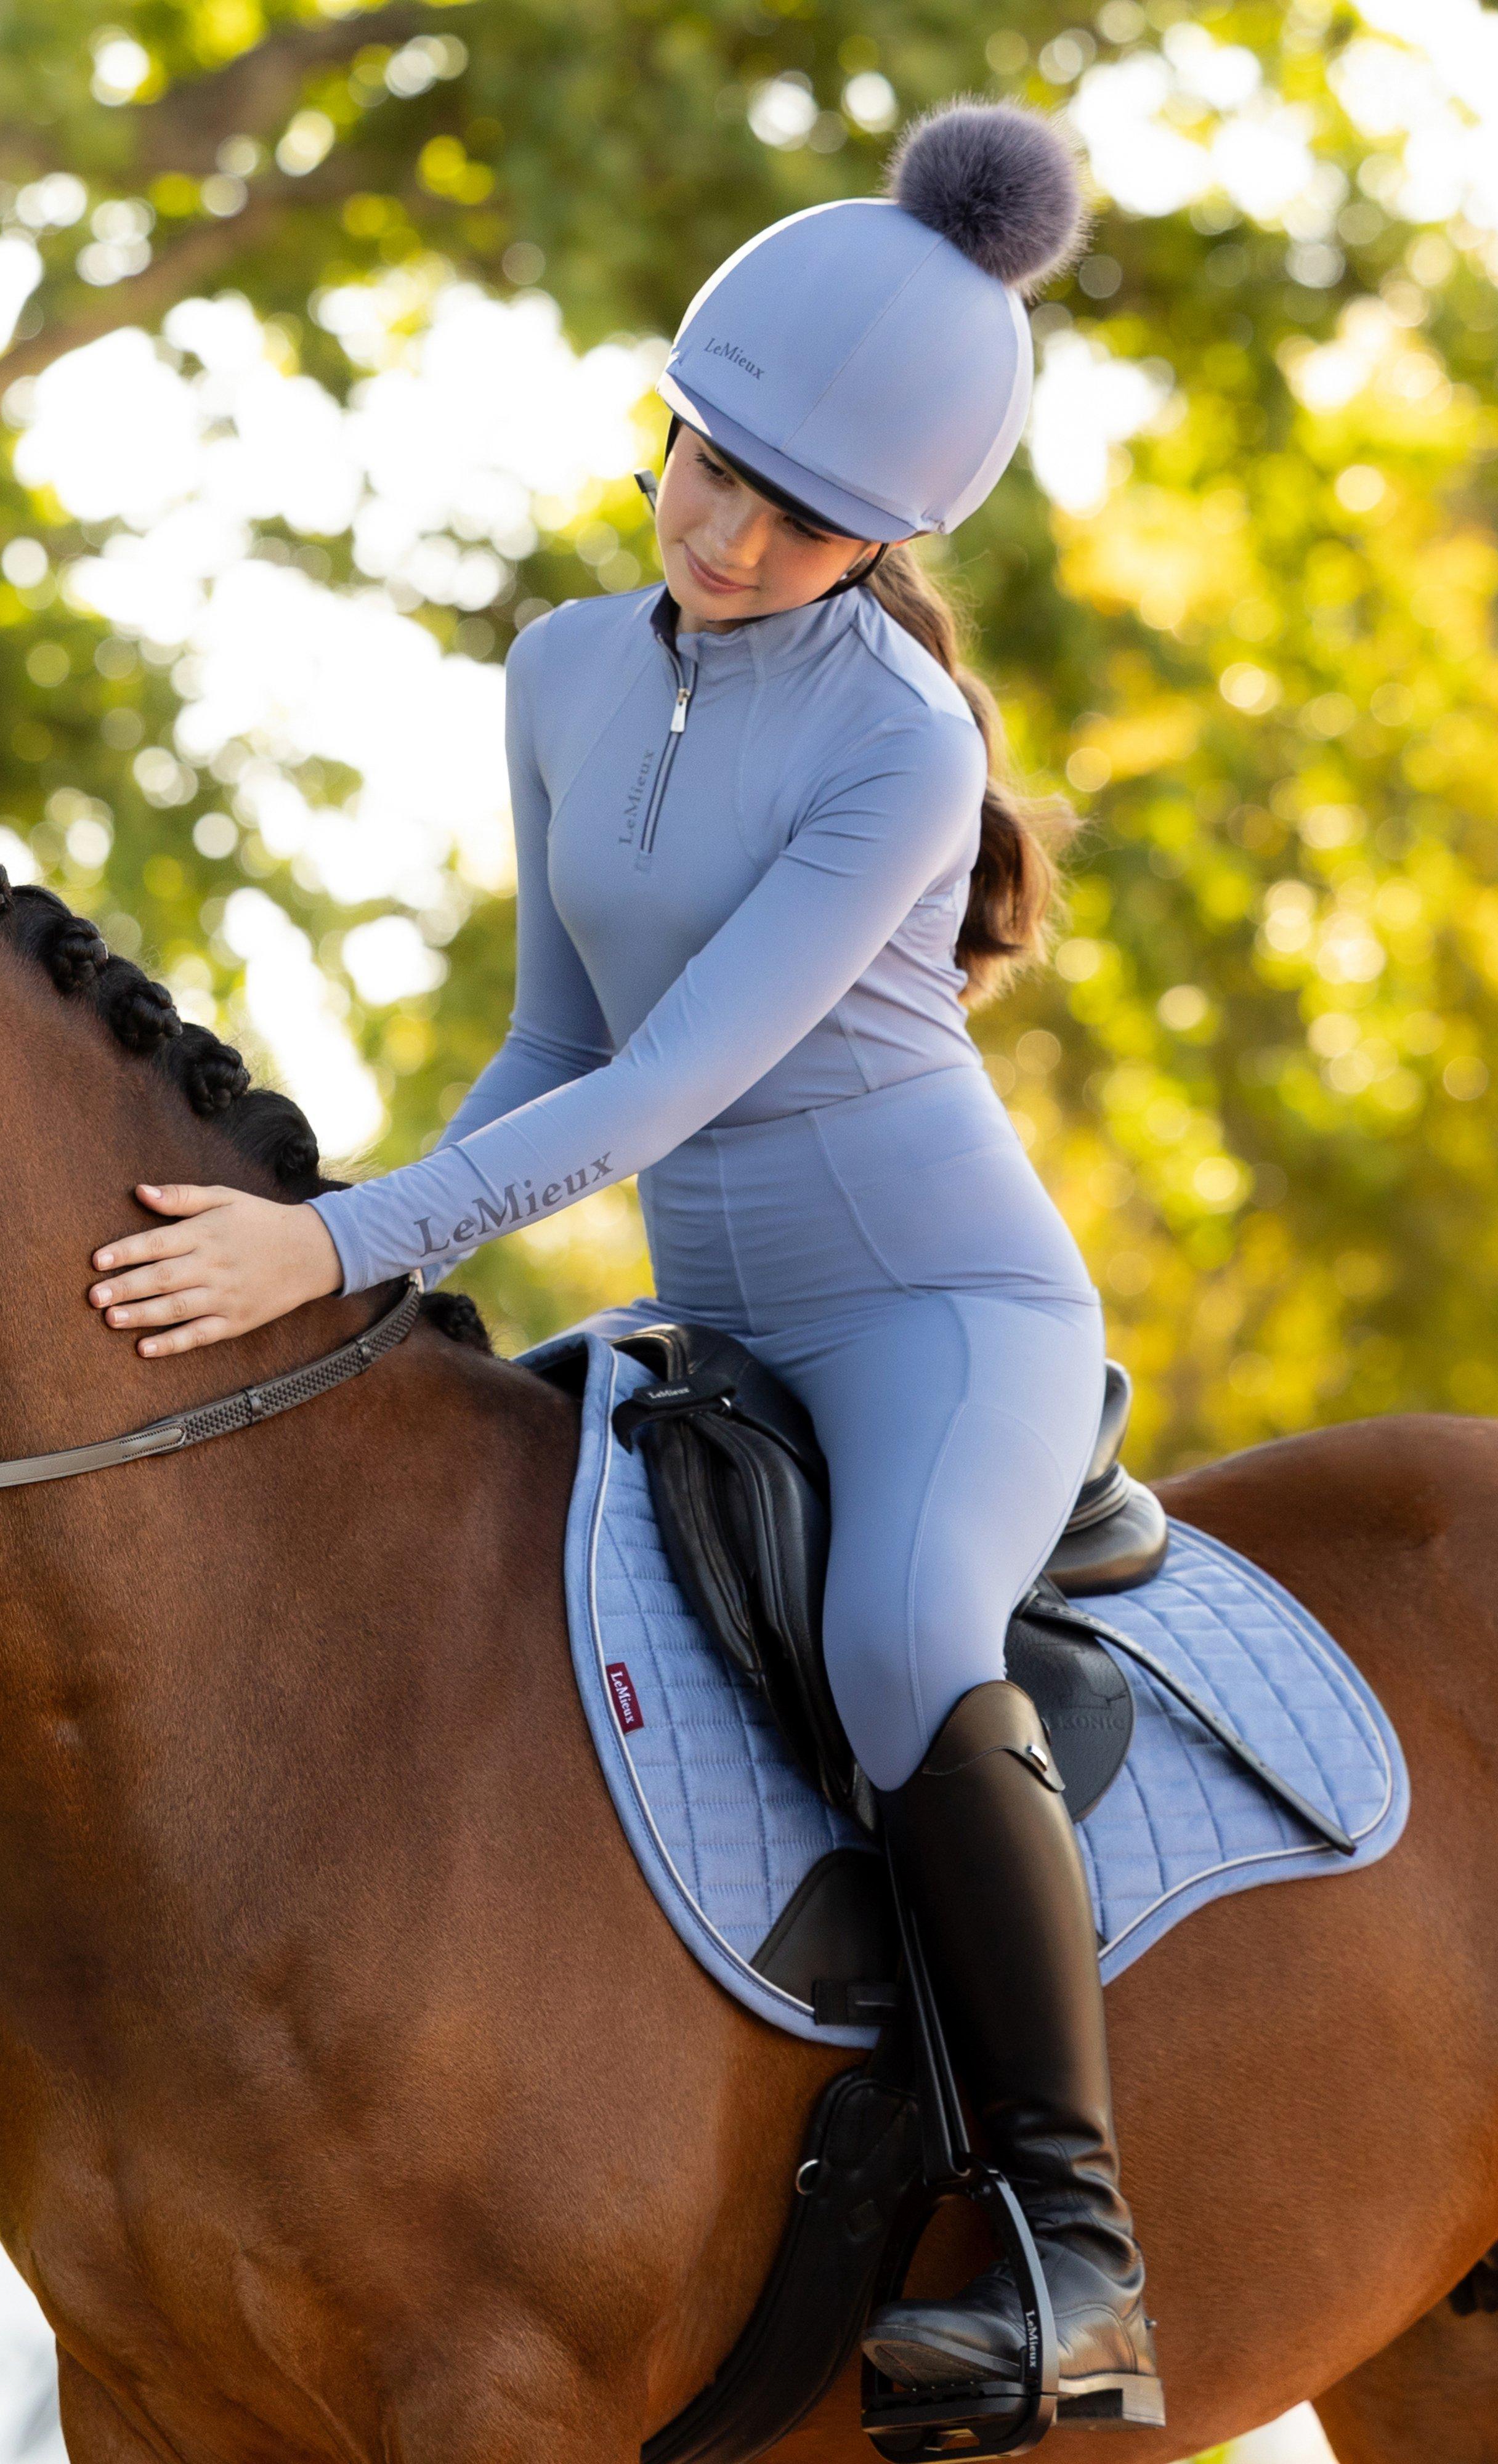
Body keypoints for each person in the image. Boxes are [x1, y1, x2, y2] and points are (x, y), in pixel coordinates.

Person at [84, 98, 1160, 2412]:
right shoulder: (565, 670)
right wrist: (358, 1291)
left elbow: (666, 1088)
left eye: (804, 518)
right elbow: (552, 1038)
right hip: (712, 1317)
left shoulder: (903, 743)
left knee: (891, 1635)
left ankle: (1080, 2263)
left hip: (936, 1318)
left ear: (887, 543)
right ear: (667, 422)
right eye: (709, 469)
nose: (733, 532)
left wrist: (336, 1242)